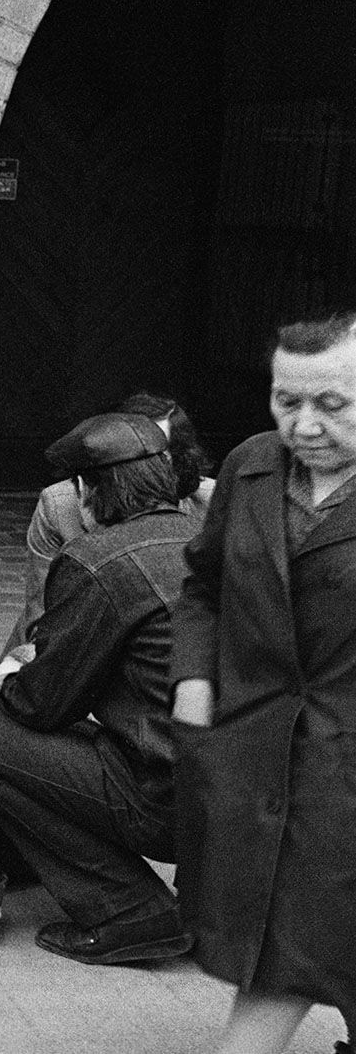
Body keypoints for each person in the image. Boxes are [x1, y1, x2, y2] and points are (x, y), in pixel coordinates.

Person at [0, 412, 199, 967]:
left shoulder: (98, 561)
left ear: (87, 491)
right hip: (245, 802)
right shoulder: (215, 542)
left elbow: (41, 705)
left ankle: (129, 910)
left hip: (163, 803)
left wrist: (4, 682)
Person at [171, 313, 356, 1054]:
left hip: (343, 758)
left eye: (332, 404)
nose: (304, 425)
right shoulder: (250, 466)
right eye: (286, 401)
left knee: (300, 938)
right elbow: (203, 585)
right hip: (258, 748)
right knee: (292, 933)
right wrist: (192, 679)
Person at [6, 391, 214, 652]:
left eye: (157, 454)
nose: (143, 466)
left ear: (178, 459)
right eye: (130, 454)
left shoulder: (211, 501)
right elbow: (41, 619)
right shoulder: (60, 504)